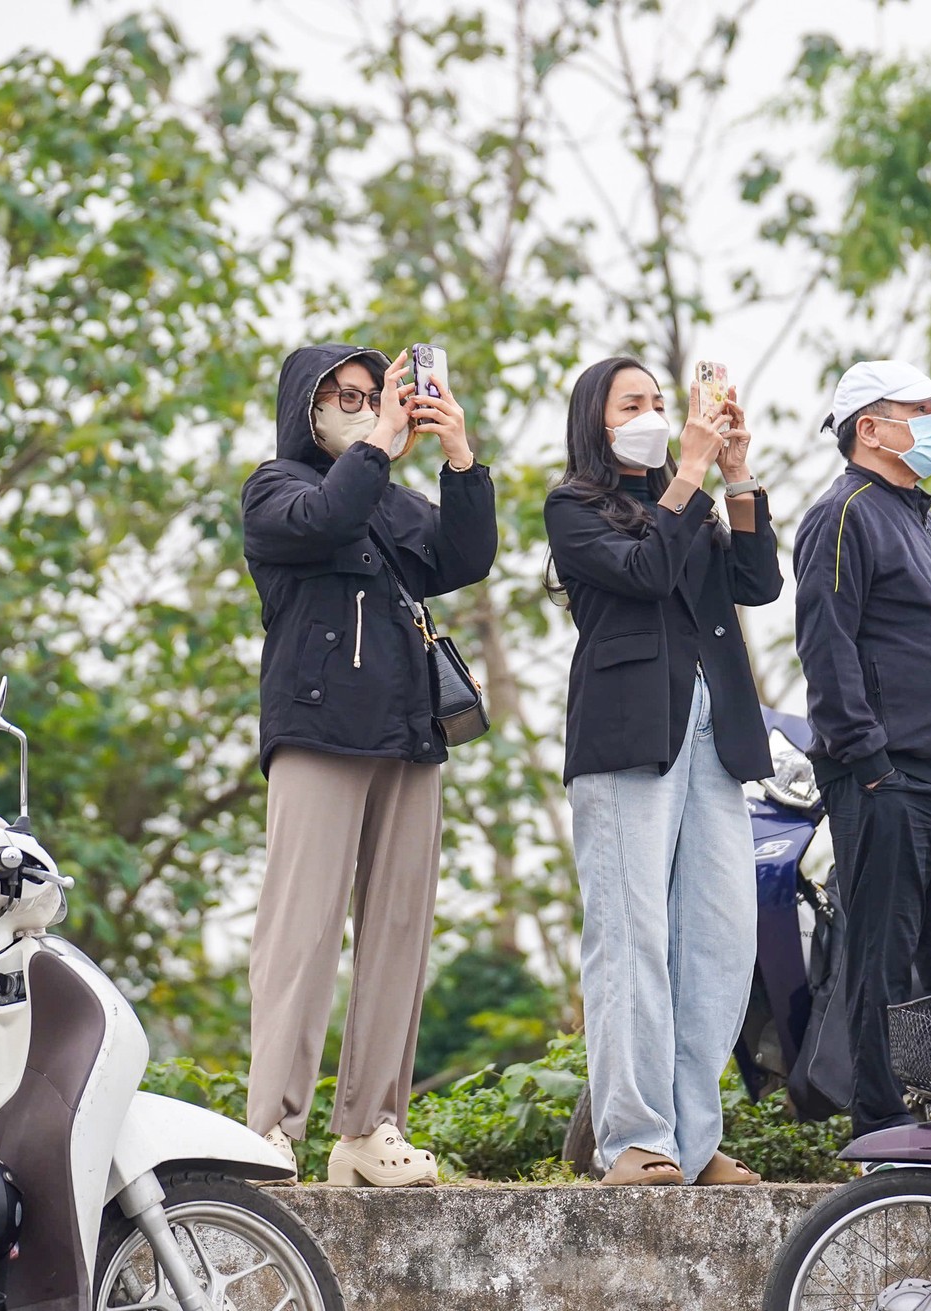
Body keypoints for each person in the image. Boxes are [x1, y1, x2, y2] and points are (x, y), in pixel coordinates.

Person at [241, 343, 496, 1187]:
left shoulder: (388, 497)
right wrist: (378, 442)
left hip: (408, 734)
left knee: (398, 936)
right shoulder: (279, 488)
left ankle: (369, 1130)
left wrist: (459, 457)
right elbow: (324, 521)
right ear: (304, 408)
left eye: (371, 392)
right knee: (300, 933)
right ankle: (270, 1128)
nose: (359, 405)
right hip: (318, 733)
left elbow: (464, 557)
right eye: (342, 395)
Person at [545, 357, 783, 1187]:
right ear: (596, 421)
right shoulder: (574, 508)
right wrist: (686, 475)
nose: (652, 412)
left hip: (717, 737)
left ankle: (692, 1137)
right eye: (633, 403)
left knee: (719, 942)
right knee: (630, 938)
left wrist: (737, 474)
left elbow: (758, 581)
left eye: (659, 400)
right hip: (625, 739)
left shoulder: (691, 506)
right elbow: (644, 573)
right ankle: (634, 1137)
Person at [792, 359, 931, 1137]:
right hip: (888, 780)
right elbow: (827, 643)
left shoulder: (929, 524)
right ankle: (880, 1128)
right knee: (881, 956)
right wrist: (868, 761)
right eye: (918, 408)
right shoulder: (841, 512)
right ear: (870, 427)